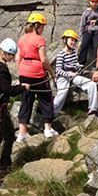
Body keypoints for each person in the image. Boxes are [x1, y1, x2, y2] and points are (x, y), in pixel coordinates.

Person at [0, 38, 30, 190]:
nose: (13, 58)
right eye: (12, 55)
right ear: (6, 54)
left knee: (9, 134)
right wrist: (22, 88)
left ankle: (4, 164)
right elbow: (7, 90)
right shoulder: (2, 70)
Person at [15, 12, 58, 141]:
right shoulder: (39, 40)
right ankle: (48, 129)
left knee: (26, 101)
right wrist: (52, 73)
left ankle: (22, 133)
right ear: (37, 25)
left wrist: (21, 71)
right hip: (38, 73)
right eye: (42, 26)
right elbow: (44, 60)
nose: (43, 29)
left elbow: (18, 57)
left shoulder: (22, 39)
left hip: (24, 73)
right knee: (46, 99)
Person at [54, 29, 98, 116]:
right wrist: (69, 74)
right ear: (65, 40)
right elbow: (58, 70)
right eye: (71, 40)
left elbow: (75, 65)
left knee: (91, 85)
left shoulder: (74, 53)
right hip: (63, 77)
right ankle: (52, 113)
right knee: (63, 92)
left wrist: (80, 69)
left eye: (74, 40)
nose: (73, 42)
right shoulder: (61, 54)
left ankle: (93, 109)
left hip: (73, 76)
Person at [78, 0, 98, 68]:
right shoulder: (86, 12)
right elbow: (82, 25)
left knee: (97, 46)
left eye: (96, 2)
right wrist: (80, 38)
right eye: (92, 2)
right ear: (89, 1)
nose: (94, 4)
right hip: (88, 31)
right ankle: (81, 62)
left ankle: (96, 63)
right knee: (84, 44)